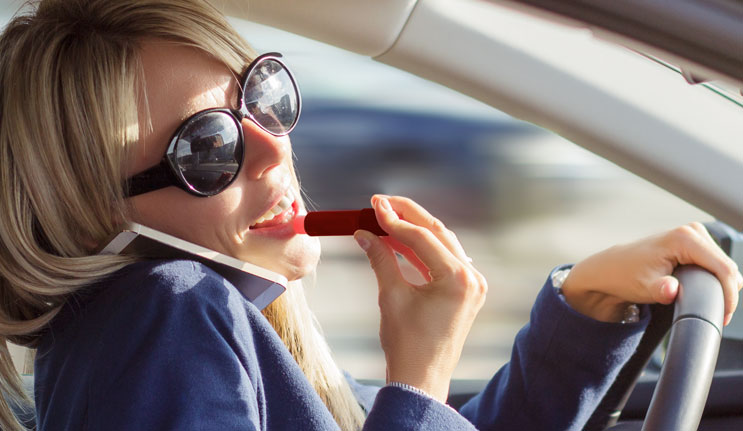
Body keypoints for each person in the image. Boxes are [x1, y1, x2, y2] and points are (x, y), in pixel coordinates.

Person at [0, 1, 739, 430]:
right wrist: (417, 376)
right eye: (209, 147)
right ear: (90, 213)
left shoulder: (233, 324)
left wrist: (579, 312)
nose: (273, 149)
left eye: (263, 99)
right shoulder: (165, 316)